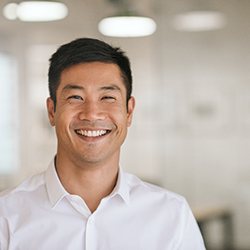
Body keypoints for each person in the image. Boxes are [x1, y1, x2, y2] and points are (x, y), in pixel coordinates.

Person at [0, 38, 205, 250]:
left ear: (129, 111)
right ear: (52, 111)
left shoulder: (171, 214)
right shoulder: (6, 215)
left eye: (107, 97)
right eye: (75, 97)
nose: (91, 114)